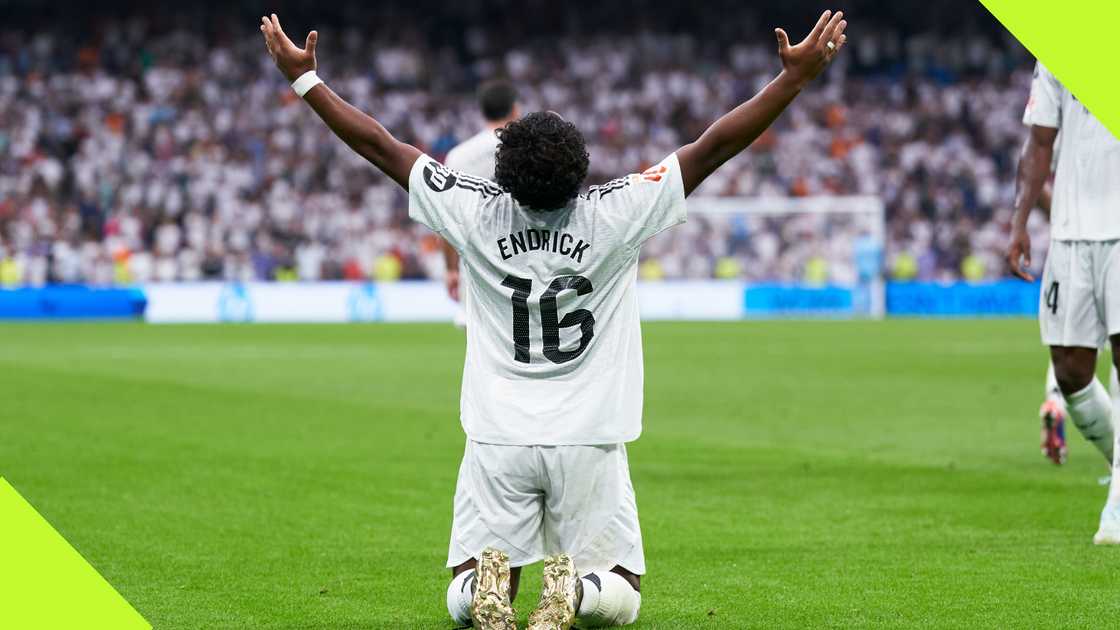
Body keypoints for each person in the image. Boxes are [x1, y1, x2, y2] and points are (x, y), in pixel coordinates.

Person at [260, 9, 847, 628]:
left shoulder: (475, 212)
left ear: (505, 173)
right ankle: (577, 594)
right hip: (589, 435)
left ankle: (482, 589)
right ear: (581, 168)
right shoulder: (617, 212)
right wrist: (793, 81)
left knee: (465, 589)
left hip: (497, 435)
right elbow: (715, 146)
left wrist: (305, 81)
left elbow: (380, 146)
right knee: (622, 590)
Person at [1007, 62, 1120, 545]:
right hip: (1071, 234)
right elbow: (1038, 143)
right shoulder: (1060, 53)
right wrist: (1019, 221)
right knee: (1071, 370)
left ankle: (1116, 507)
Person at [443, 80, 521, 325]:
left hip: (478, 263)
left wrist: (451, 269)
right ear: (515, 109)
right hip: (527, 259)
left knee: (480, 353)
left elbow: (446, 219)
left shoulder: (458, 156)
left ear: (482, 111)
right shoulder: (528, 147)